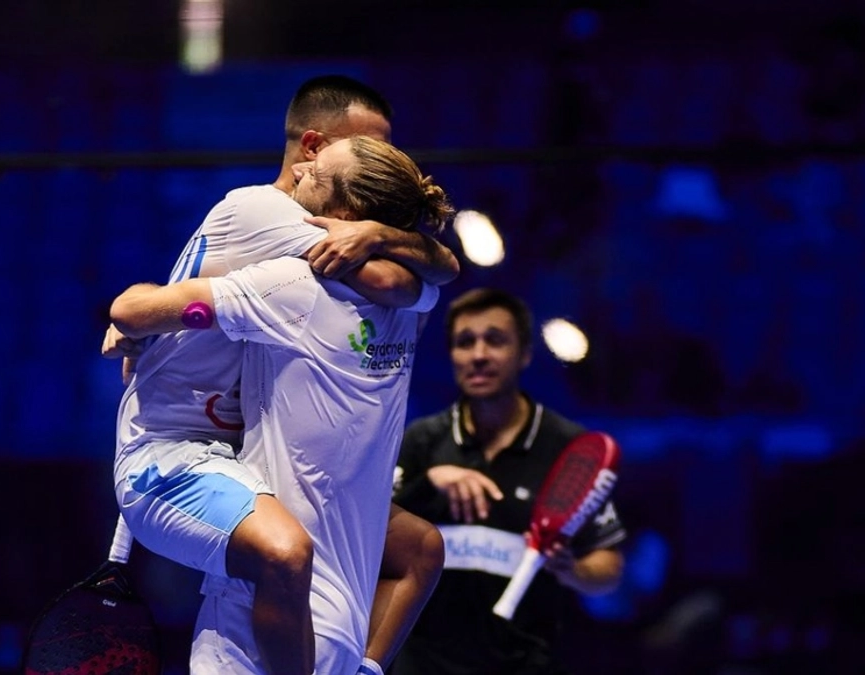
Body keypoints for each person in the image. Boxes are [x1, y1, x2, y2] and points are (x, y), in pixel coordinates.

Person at [101, 75, 455, 675]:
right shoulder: (265, 212)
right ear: (313, 149)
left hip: (242, 458)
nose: (387, 160)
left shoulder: (338, 257)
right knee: (286, 553)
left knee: (419, 546)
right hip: (173, 454)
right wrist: (384, 235)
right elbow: (401, 283)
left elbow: (434, 272)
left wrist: (379, 232)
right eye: (366, 147)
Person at [390, 288, 628, 675]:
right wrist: (429, 481)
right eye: (465, 342)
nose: (479, 355)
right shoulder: (420, 442)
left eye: (495, 340)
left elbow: (609, 569)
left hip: (526, 664)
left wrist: (572, 569)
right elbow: (368, 539)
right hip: (422, 663)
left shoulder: (568, 449)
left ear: (525, 354)